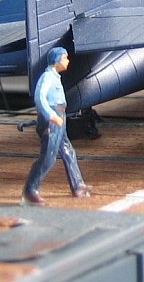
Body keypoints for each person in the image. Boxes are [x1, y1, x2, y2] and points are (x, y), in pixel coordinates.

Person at [22, 47, 92, 204]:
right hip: (52, 119)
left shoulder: (55, 77)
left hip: (60, 116)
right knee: (48, 157)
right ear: (56, 60)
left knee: (68, 151)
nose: (67, 61)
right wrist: (50, 115)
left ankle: (77, 185)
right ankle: (30, 189)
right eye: (65, 58)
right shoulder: (47, 76)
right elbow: (39, 97)